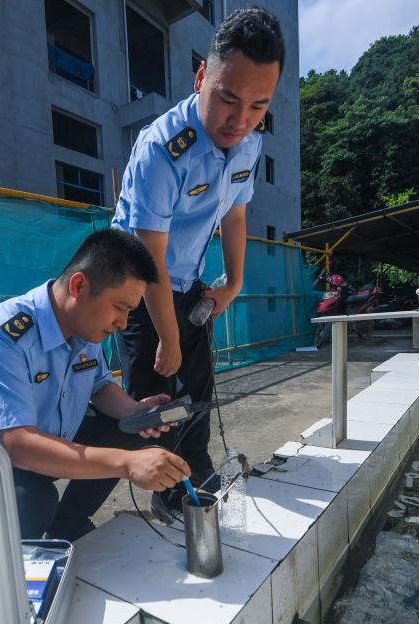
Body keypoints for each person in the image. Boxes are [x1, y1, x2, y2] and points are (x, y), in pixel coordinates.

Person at [111, 8, 285, 521]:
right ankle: (165, 486)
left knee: (200, 384)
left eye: (258, 105)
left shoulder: (249, 143)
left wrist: (234, 282)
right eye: (228, 98)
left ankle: (198, 465)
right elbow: (148, 258)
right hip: (137, 287)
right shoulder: (163, 149)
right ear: (201, 76)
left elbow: (235, 213)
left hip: (187, 281)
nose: (240, 120)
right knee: (157, 397)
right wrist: (167, 337)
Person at [0, 228, 191, 539]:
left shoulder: (85, 327)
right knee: (31, 502)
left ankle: (69, 524)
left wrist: (135, 411)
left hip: (49, 436)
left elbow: (100, 387)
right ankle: (10, 558)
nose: (122, 323)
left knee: (133, 431)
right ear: (79, 285)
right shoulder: (3, 336)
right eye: (120, 308)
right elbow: (18, 444)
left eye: (130, 312)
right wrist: (126, 463)